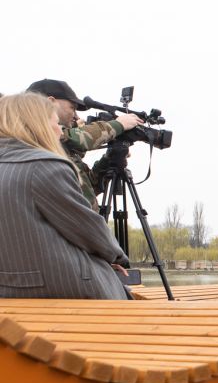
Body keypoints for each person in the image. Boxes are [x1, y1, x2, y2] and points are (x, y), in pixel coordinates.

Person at [0, 93, 130, 299]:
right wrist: (118, 257)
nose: (61, 131)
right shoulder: (45, 166)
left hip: (8, 289)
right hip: (63, 288)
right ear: (39, 126)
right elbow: (87, 228)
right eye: (56, 123)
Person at [27, 79, 143, 212]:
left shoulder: (60, 148)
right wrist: (119, 125)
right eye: (72, 108)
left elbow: (85, 190)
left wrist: (109, 160)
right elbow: (77, 138)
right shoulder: (34, 134)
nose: (76, 116)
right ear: (50, 102)